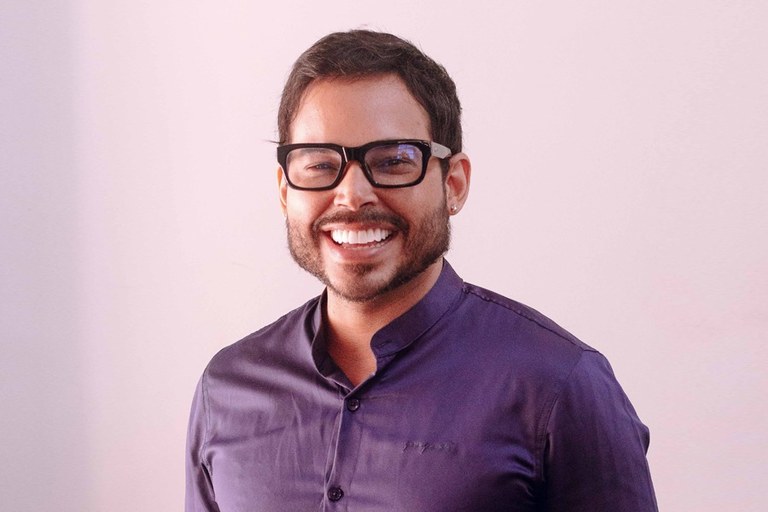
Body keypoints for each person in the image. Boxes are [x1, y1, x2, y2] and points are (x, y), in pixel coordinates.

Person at [185, 30, 658, 511]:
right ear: (285, 191)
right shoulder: (226, 389)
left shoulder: (559, 386)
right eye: (320, 165)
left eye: (393, 161)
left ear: (454, 184)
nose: (352, 196)